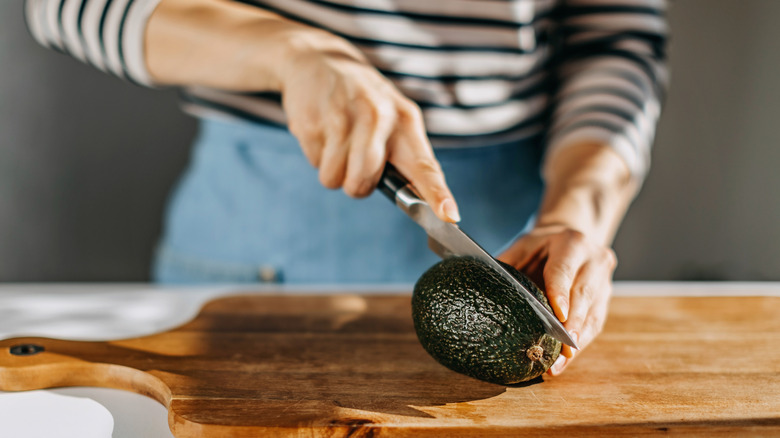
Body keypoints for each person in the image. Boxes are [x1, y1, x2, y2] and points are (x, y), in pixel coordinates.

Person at [24, 0, 667, 375]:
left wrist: (578, 209)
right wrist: (290, 53)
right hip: (262, 225)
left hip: (514, 229)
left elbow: (615, 43)